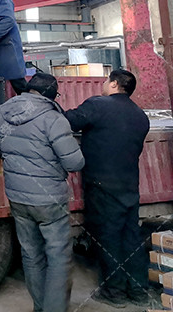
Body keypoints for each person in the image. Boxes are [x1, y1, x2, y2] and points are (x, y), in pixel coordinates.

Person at [0, 72, 84, 312]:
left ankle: (40, 307)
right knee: (58, 256)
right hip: (49, 200)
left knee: (31, 255)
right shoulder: (54, 119)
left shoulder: (5, 113)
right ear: (51, 95)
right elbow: (75, 163)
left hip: (18, 198)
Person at [64, 69, 150, 308]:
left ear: (113, 84)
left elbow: (68, 120)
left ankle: (114, 292)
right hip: (129, 184)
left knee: (108, 238)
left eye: (106, 80)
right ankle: (139, 291)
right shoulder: (140, 115)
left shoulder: (98, 105)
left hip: (102, 185)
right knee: (131, 237)